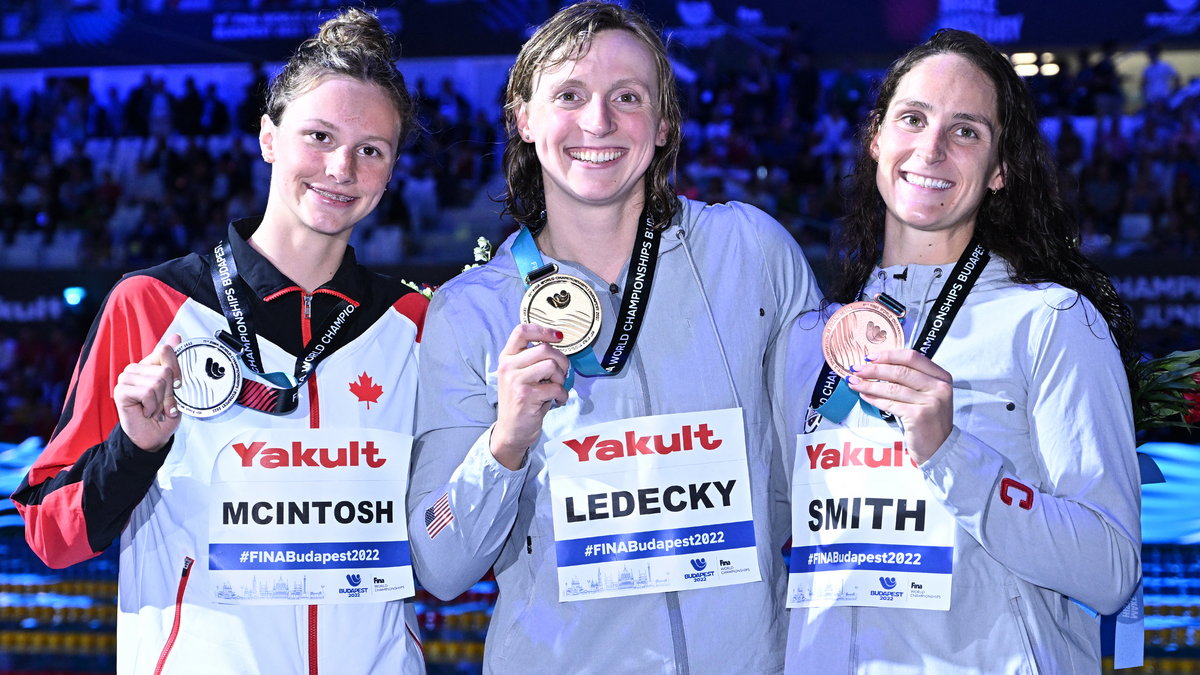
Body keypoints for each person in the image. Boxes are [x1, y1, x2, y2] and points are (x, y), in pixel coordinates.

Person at [10, 8, 428, 673]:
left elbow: (440, 539)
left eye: (371, 149)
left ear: (391, 169)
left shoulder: (412, 323)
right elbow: (48, 532)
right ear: (268, 138)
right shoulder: (151, 306)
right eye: (318, 136)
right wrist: (135, 446)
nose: (341, 166)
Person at [408, 2, 819, 672]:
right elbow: (439, 559)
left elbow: (819, 459)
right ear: (525, 118)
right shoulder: (468, 313)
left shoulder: (749, 251)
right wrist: (504, 443)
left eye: (626, 97)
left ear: (663, 125)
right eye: (569, 95)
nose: (597, 122)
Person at [772, 29, 1141, 673]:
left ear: (1000, 169)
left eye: (966, 131)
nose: (932, 148)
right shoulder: (808, 341)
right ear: (876, 140)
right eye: (912, 119)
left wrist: (953, 453)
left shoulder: (1050, 321)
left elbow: (1111, 569)